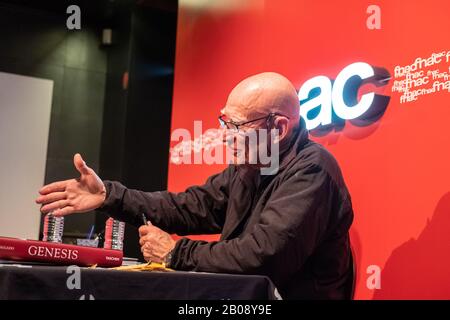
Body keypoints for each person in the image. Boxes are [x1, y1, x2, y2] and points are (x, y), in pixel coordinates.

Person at [36, 72, 354, 299]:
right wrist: (110, 195)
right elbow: (186, 207)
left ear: (279, 128)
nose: (225, 135)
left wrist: (176, 252)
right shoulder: (251, 167)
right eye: (223, 123)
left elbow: (265, 256)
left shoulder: (313, 170)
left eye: (237, 126)